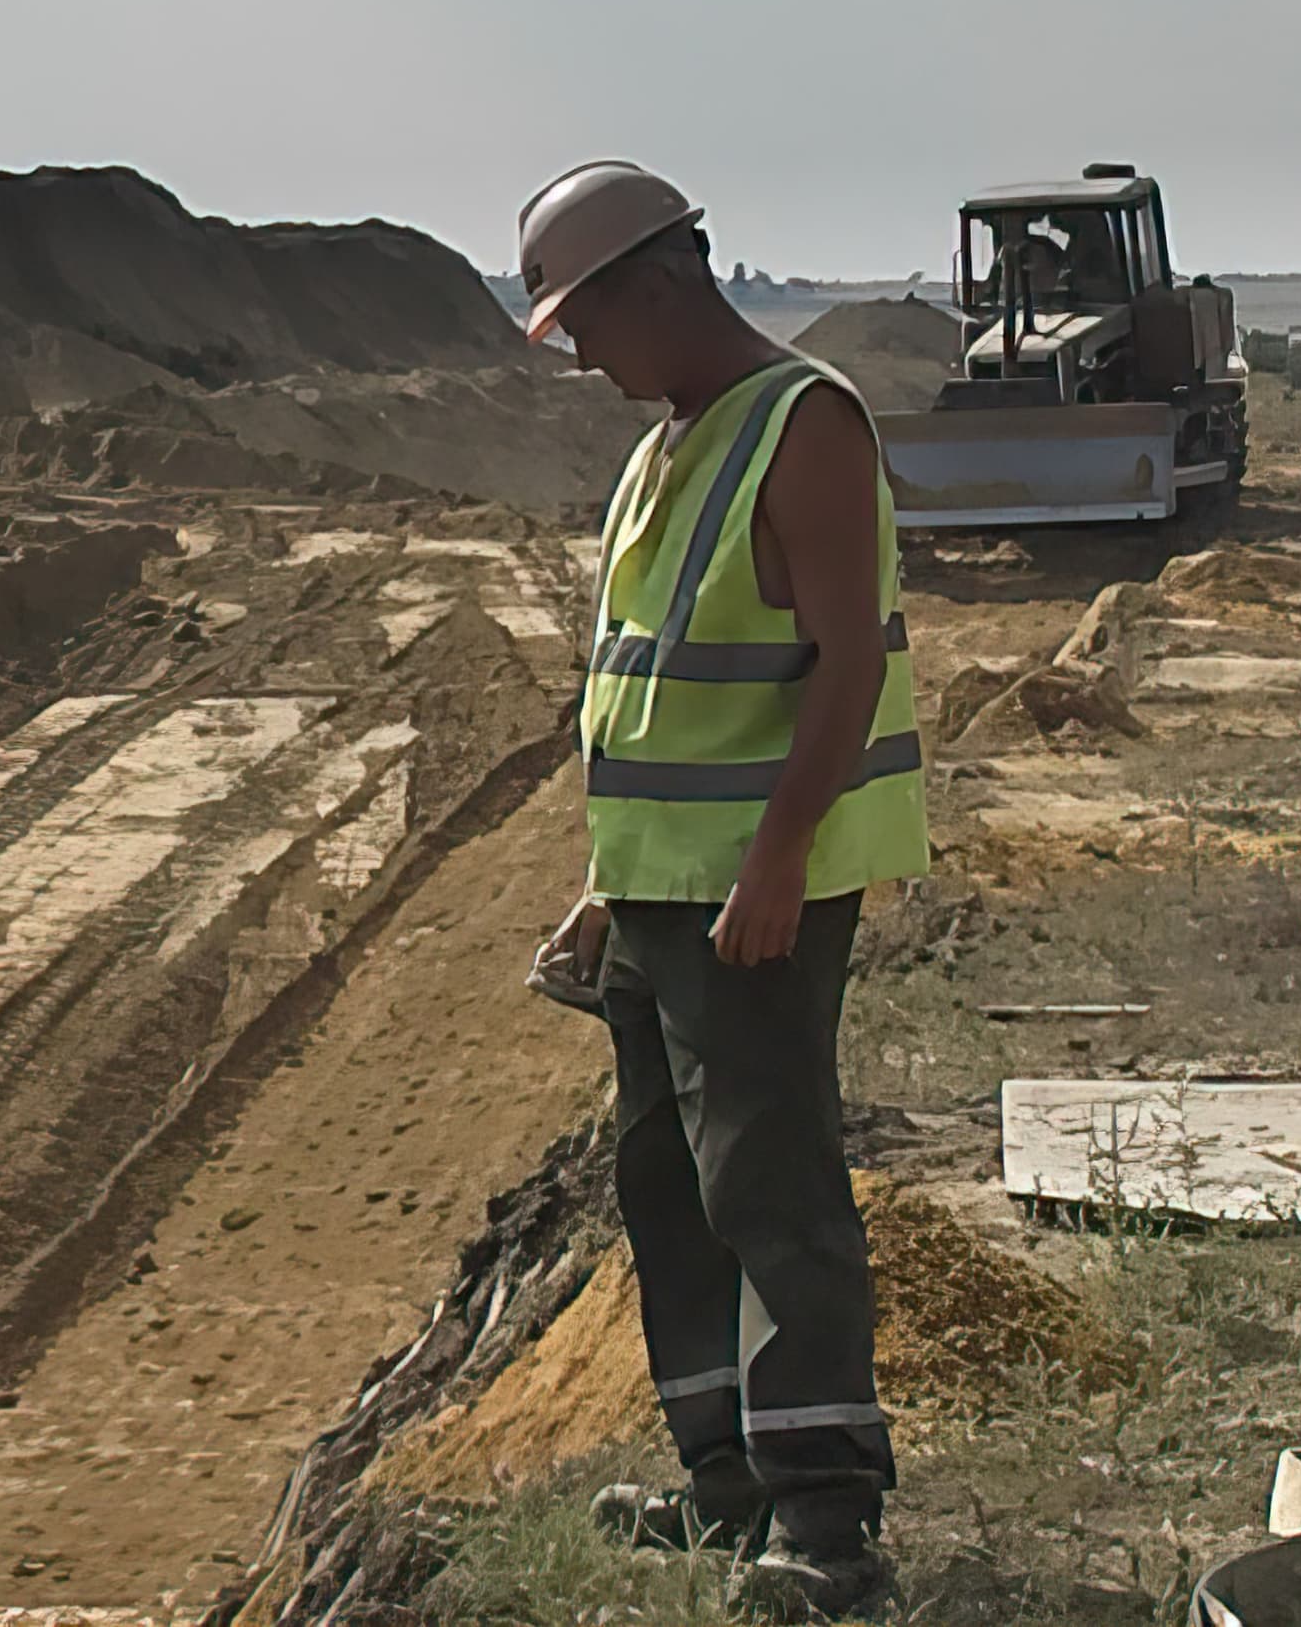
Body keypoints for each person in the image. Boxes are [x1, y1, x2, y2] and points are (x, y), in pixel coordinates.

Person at [512, 161, 928, 1623]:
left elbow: (847, 664)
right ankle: (728, 1478)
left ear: (662, 282)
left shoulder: (802, 427)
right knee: (668, 1183)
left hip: (755, 893)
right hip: (658, 893)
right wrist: (605, 884)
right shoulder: (669, 443)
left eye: (584, 318)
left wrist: (776, 862)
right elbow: (655, 697)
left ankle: (828, 1525)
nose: (579, 351)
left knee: (770, 1180)